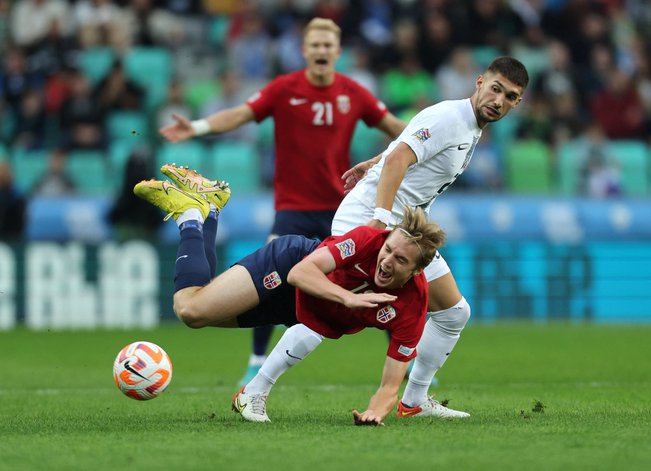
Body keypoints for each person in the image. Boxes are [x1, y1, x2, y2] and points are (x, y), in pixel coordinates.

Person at [159, 17, 406, 386]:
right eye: (315, 45)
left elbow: (396, 129)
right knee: (272, 282)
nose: (321, 51)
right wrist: (197, 128)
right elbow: (241, 115)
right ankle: (257, 359)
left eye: (328, 46)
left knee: (376, 276)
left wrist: (431, 139)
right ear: (305, 51)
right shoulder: (284, 88)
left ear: (337, 52)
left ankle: (405, 363)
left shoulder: (354, 93)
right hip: (292, 209)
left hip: (341, 210)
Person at [133, 167, 447, 425]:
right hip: (286, 264)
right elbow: (300, 273)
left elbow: (390, 385)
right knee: (190, 309)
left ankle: (210, 207)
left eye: (401, 260)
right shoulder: (368, 240)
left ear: (417, 272)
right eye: (389, 249)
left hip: (296, 306)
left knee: (196, 309)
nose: (387, 260)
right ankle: (190, 215)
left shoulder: (413, 306)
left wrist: (374, 413)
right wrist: (347, 298)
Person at [336, 56, 529, 418]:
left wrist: (372, 162)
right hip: (374, 220)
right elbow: (398, 162)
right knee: (330, 310)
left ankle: (413, 402)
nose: (499, 100)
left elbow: (403, 149)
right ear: (479, 83)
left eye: (509, 96)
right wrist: (378, 221)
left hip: (403, 228)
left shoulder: (468, 126)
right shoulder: (450, 118)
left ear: (517, 103)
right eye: (495, 88)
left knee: (453, 312)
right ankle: (258, 385)